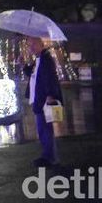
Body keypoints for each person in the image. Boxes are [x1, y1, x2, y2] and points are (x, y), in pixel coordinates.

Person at [24, 36, 62, 167]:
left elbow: (50, 78)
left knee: (45, 129)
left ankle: (49, 158)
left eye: (33, 44)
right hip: (39, 99)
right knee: (43, 129)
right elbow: (32, 74)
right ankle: (48, 156)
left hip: (43, 99)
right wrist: (24, 64)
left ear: (41, 44)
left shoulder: (46, 59)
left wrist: (50, 95)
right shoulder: (39, 59)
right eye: (29, 45)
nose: (31, 47)